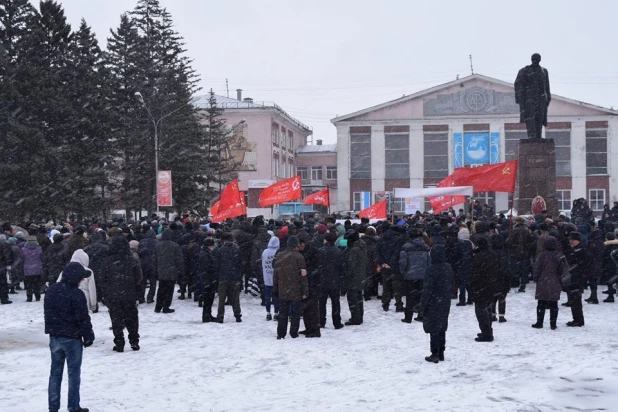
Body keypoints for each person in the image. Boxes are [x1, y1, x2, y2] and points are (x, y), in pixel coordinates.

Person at [44, 262, 94, 412]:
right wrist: (88, 335)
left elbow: (48, 314)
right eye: (81, 277)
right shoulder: (76, 294)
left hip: (55, 337)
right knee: (73, 374)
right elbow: (82, 317)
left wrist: (53, 330)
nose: (83, 280)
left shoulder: (52, 290)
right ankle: (73, 406)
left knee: (55, 374)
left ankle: (53, 407)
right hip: (72, 338)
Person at [99, 237, 142, 351]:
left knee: (116, 319)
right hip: (129, 294)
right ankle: (134, 341)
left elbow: (102, 279)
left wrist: (106, 293)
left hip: (113, 295)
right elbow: (139, 278)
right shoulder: (132, 260)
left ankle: (119, 342)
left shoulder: (107, 261)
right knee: (132, 318)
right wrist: (137, 291)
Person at [419, 245, 454, 363]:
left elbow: (427, 289)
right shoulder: (448, 267)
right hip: (445, 300)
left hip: (433, 301)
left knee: (433, 327)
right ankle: (441, 351)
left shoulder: (431, 269)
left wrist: (422, 306)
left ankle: (435, 352)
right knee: (442, 326)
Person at [273, 235, 308, 339]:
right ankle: (293, 332)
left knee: (282, 313)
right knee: (295, 313)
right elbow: (303, 276)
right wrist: (305, 290)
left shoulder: (279, 255)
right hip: (296, 289)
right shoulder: (299, 257)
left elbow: (275, 274)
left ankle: (281, 333)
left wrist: (275, 288)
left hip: (283, 288)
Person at [469, 237, 499, 342]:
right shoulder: (493, 255)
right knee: (488, 308)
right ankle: (488, 330)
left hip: (480, 286)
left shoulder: (478, 257)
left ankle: (486, 333)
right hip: (491, 285)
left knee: (480, 310)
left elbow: (474, 273)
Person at [514, 53, 551, 139]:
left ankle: (538, 135)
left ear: (540, 60)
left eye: (537, 58)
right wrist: (520, 97)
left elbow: (547, 85)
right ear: (532, 59)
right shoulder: (525, 70)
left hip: (540, 99)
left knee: (540, 117)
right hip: (529, 98)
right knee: (531, 117)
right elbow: (518, 83)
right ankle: (531, 135)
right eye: (535, 58)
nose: (536, 60)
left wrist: (548, 98)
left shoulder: (544, 71)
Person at [399, 228, 430, 323]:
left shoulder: (406, 247)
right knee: (422, 296)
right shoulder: (426, 247)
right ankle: (421, 314)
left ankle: (408, 317)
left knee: (410, 297)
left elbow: (403, 262)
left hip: (409, 275)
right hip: (423, 275)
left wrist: (403, 272)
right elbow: (429, 262)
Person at [531, 236, 562, 330]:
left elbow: (537, 268)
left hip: (543, 281)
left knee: (541, 302)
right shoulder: (559, 255)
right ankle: (553, 324)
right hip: (555, 281)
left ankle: (539, 322)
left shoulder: (542, 255)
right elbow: (562, 269)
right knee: (554, 304)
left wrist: (535, 278)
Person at [214, 232, 244, 323]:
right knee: (235, 299)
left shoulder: (220, 250)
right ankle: (237, 315)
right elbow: (241, 264)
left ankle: (220, 316)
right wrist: (239, 276)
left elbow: (216, 265)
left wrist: (218, 275)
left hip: (223, 277)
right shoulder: (237, 250)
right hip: (234, 277)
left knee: (221, 299)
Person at [152, 228, 184, 314]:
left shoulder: (157, 246)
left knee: (161, 289)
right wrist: (181, 270)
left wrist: (155, 270)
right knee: (169, 290)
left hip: (161, 271)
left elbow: (154, 259)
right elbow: (179, 260)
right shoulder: (175, 246)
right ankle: (166, 306)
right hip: (172, 271)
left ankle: (158, 306)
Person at [376, 224, 406, 312]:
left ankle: (385, 303)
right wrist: (391, 263)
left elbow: (377, 252)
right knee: (397, 287)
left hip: (385, 266)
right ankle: (398, 304)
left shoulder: (381, 239)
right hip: (395, 266)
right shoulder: (398, 239)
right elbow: (398, 252)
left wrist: (382, 263)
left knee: (386, 286)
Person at [318, 232, 344, 329]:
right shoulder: (339, 251)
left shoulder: (320, 251)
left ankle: (321, 321)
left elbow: (317, 266)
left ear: (326, 240)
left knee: (322, 303)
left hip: (322, 280)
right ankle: (337, 322)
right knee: (335, 302)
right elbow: (341, 267)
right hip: (334, 280)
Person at [343, 230, 367, 326]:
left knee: (353, 299)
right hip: (361, 275)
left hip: (353, 278)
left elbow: (351, 266)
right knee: (359, 297)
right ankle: (359, 316)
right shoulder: (362, 246)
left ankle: (355, 318)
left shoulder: (353, 249)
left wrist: (345, 273)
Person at [565, 232, 586, 327]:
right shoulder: (575, 249)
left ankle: (578, 320)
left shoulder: (580, 250)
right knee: (574, 300)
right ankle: (576, 319)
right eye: (570, 239)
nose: (570, 241)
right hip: (574, 278)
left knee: (576, 300)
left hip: (577, 279)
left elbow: (580, 265)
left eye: (572, 239)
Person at [261, 235, 280, 321]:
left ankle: (268, 313)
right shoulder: (278, 252)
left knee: (267, 297)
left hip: (267, 276)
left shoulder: (265, 252)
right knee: (276, 297)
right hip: (276, 278)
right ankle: (276, 313)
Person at [199, 238, 217, 322]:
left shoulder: (205, 253)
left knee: (209, 298)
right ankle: (206, 316)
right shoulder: (205, 254)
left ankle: (208, 314)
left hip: (207, 278)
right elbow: (207, 267)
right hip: (207, 279)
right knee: (208, 298)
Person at [21, 235, 44, 302]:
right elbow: (42, 258)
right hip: (37, 268)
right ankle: (37, 296)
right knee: (36, 283)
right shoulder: (39, 248)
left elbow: (22, 259)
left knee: (29, 284)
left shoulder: (23, 249)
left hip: (27, 269)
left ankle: (29, 297)